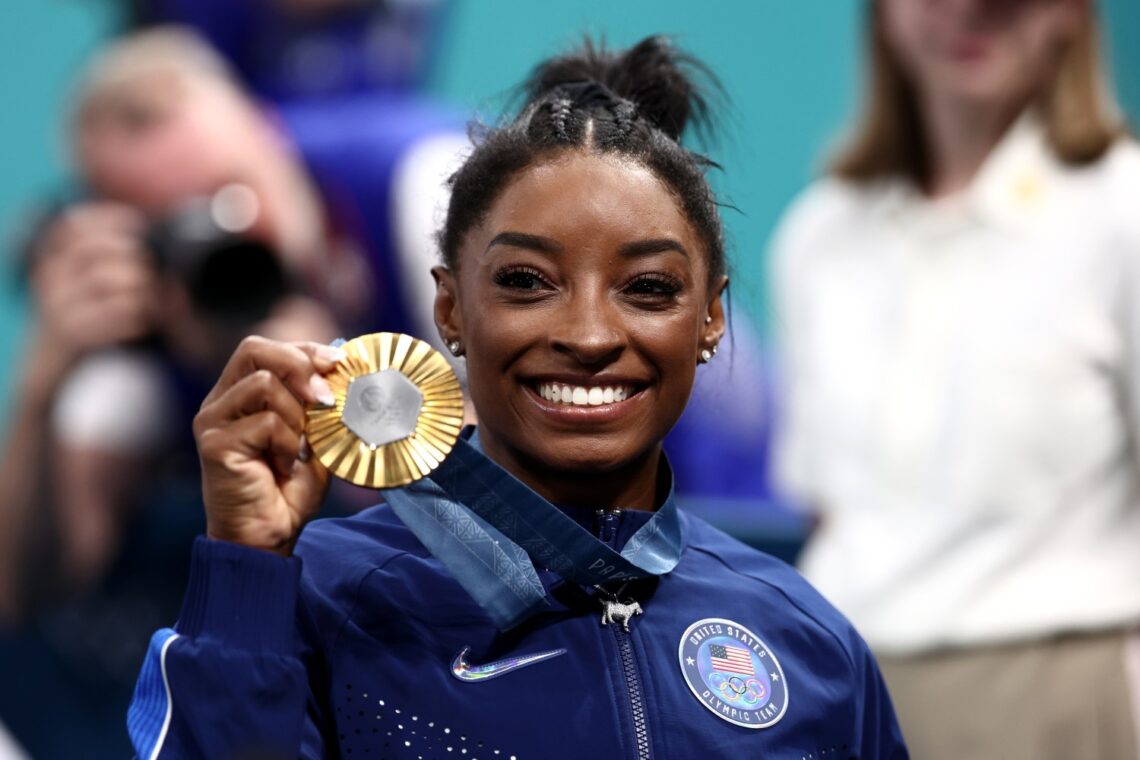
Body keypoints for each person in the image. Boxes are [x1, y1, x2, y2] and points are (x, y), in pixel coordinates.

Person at [127, 37, 908, 758]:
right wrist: (247, 567)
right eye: (526, 282)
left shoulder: (807, 639)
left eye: (648, 287)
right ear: (450, 312)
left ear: (709, 320)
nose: (591, 334)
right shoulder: (317, 598)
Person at [770, 0, 1140, 756]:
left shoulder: (1120, 214)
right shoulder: (820, 235)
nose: (972, 10)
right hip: (840, 690)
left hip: (1053, 695)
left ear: (1074, 11)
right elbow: (824, 505)